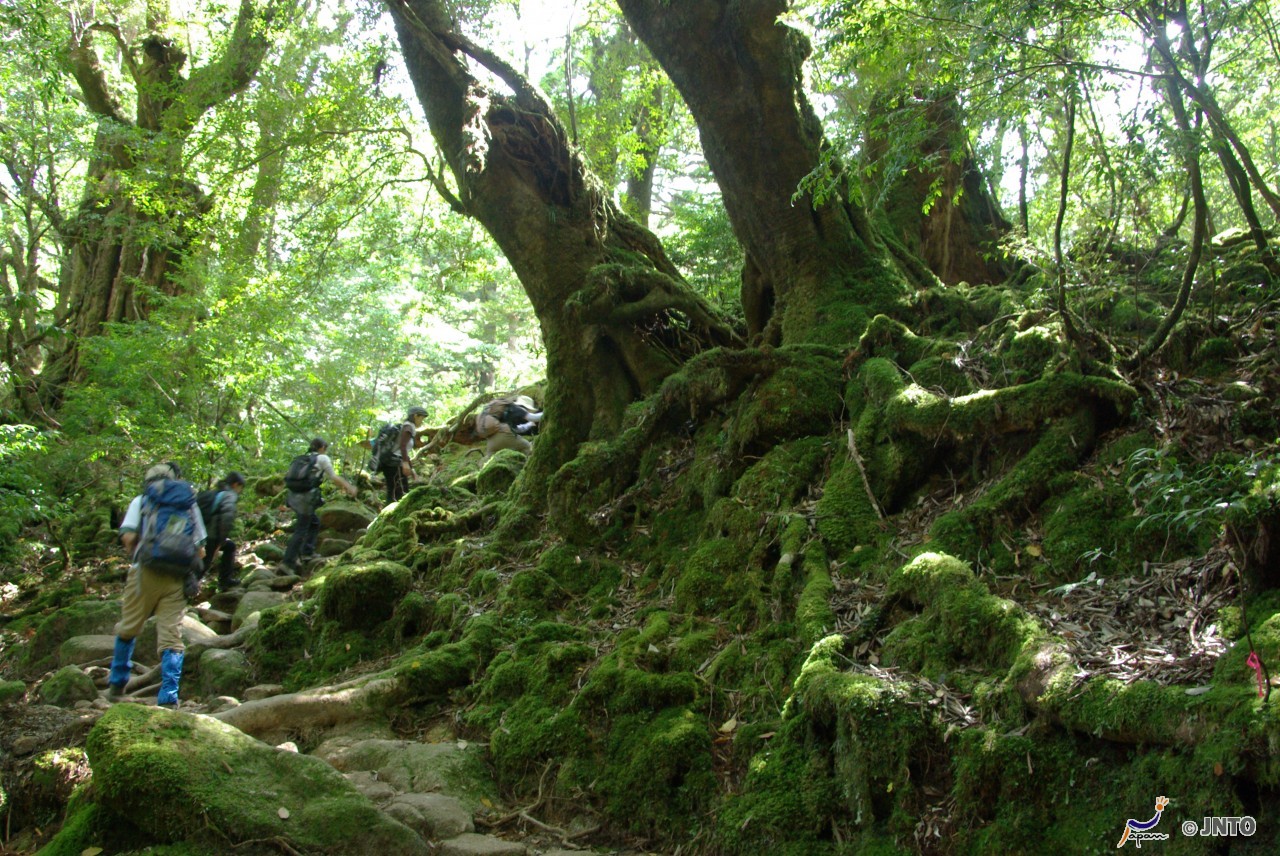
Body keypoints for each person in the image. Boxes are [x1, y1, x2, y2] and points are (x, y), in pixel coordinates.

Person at [108, 462, 207, 709]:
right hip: (178, 576)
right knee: (172, 638)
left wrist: (140, 552)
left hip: (145, 572)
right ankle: (169, 698)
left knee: (129, 627)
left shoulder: (142, 500)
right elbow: (201, 549)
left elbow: (128, 536)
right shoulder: (189, 504)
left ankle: (117, 685)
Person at [282, 438, 357, 573]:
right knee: (301, 529)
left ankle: (307, 552)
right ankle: (288, 563)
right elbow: (333, 477)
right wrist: (349, 487)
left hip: (293, 496)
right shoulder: (322, 458)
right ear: (322, 447)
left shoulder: (302, 459)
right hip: (305, 498)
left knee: (314, 523)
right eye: (325, 448)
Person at [196, 471, 247, 592]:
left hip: (198, 534)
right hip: (211, 536)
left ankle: (225, 580)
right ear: (235, 484)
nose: (240, 491)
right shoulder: (229, 495)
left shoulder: (214, 493)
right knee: (203, 565)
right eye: (240, 487)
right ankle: (183, 593)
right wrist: (220, 542)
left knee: (230, 547)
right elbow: (226, 519)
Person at [381, 406, 428, 502]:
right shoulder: (408, 427)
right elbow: (403, 446)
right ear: (415, 416)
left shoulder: (407, 427)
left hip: (393, 463)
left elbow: (404, 450)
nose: (422, 421)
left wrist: (412, 470)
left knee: (396, 493)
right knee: (398, 495)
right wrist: (405, 463)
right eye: (421, 418)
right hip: (394, 465)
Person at [476, 394, 544, 458]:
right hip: (505, 435)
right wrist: (547, 411)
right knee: (528, 447)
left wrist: (529, 424)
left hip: (491, 442)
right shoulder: (516, 409)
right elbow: (534, 417)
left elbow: (516, 429)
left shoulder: (502, 411)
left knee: (492, 459)